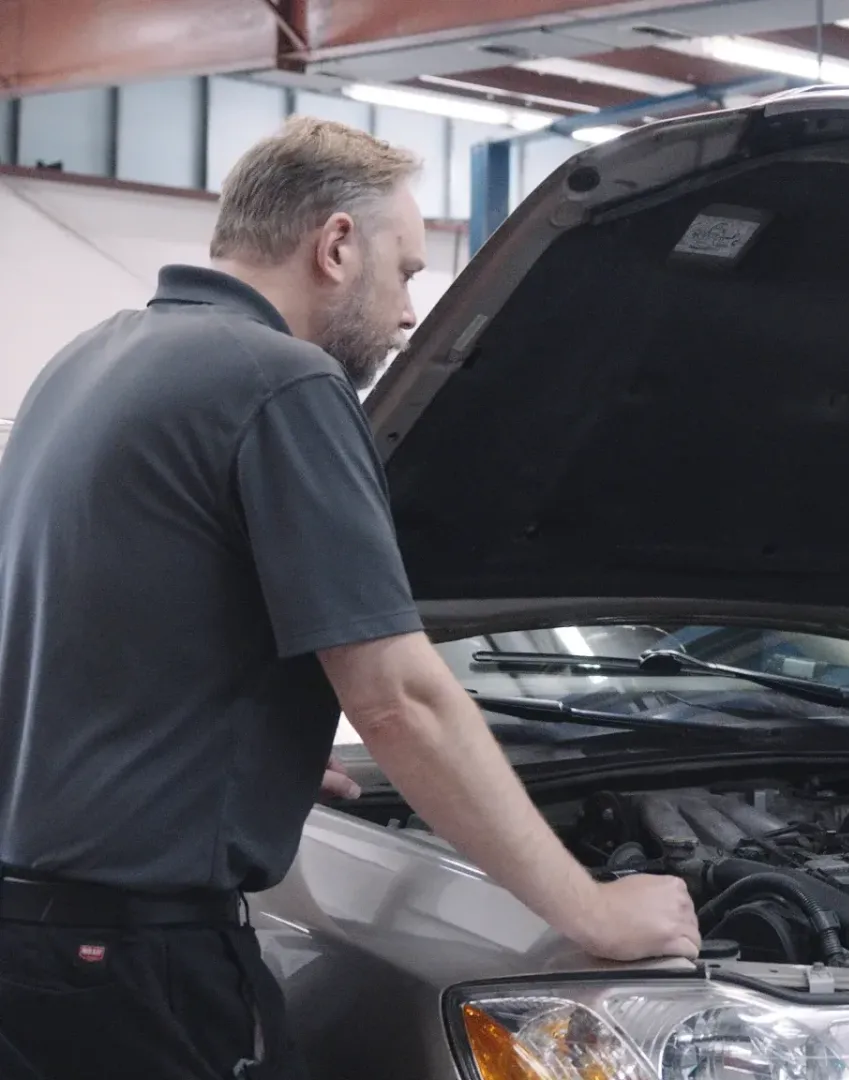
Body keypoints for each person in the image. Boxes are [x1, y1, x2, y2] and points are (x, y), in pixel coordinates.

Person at [0, 118, 698, 1080]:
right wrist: (594, 910)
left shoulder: (87, 364)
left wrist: (245, 754)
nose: (413, 311)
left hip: (39, 953)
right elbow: (398, 698)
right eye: (407, 271)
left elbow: (85, 631)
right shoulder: (282, 380)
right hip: (147, 968)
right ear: (335, 246)